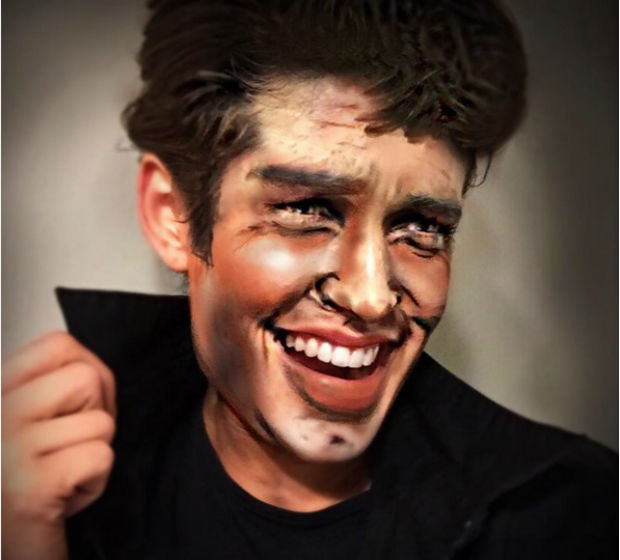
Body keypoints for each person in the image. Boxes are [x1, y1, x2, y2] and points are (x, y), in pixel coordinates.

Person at [2, 1, 616, 559]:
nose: (371, 297)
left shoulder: (574, 522)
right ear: (174, 217)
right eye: (305, 210)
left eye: (422, 227)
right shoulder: (52, 499)